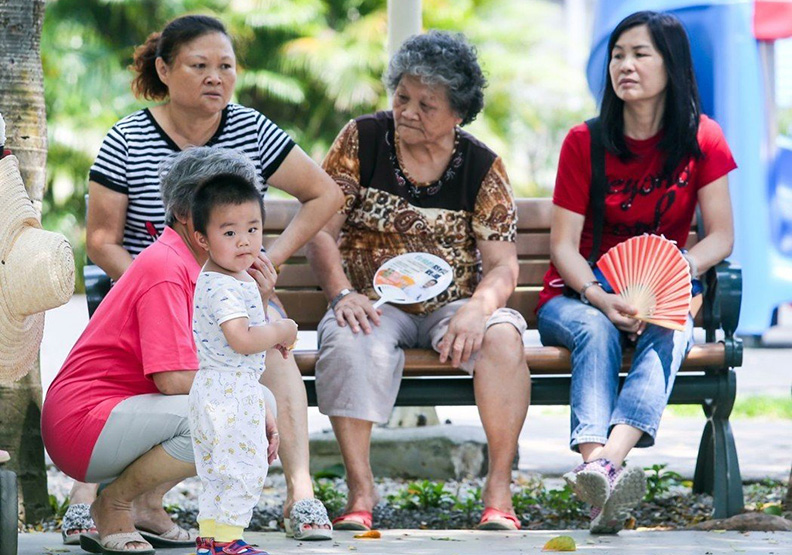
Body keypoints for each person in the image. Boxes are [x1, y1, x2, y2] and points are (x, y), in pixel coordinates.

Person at [67, 14, 342, 543]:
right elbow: (101, 240)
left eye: (226, 66)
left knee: (274, 351)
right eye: (199, 66)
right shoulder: (126, 138)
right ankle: (92, 496)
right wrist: (165, 288)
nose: (216, 77)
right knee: (189, 380)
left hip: (232, 288)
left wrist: (260, 263)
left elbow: (325, 194)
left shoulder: (253, 129)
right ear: (164, 70)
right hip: (151, 287)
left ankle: (301, 493)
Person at [306, 31, 531, 532]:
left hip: (452, 305)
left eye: (426, 105)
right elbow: (320, 230)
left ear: (458, 113)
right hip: (373, 301)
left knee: (502, 337)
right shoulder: (362, 138)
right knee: (348, 337)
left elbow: (502, 265)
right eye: (402, 96)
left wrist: (478, 309)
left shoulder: (482, 166)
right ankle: (360, 489)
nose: (407, 111)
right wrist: (341, 294)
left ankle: (498, 488)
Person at [536, 11, 736, 534]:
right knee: (597, 329)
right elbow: (562, 247)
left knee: (671, 328)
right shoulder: (584, 141)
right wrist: (599, 297)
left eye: (639, 54)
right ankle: (599, 469)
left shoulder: (703, 138)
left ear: (672, 65)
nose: (624, 65)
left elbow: (720, 236)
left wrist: (678, 268)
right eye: (617, 55)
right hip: (577, 296)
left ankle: (602, 466)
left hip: (659, 296)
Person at [43, 148, 288, 555]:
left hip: (123, 415)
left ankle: (146, 505)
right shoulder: (167, 268)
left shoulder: (212, 272)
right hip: (85, 422)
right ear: (188, 216)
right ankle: (113, 505)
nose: (243, 236)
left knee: (252, 401)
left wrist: (257, 299)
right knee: (228, 410)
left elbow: (231, 358)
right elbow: (172, 379)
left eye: (248, 220)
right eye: (225, 215)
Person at [189, 173, 298, 554]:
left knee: (217, 470)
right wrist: (282, 327)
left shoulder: (227, 277)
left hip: (216, 388)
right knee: (243, 468)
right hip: (229, 391)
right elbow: (242, 338)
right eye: (230, 232)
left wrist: (270, 334)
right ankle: (228, 540)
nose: (245, 241)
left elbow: (244, 337)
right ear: (202, 238)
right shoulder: (224, 286)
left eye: (253, 229)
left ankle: (210, 538)